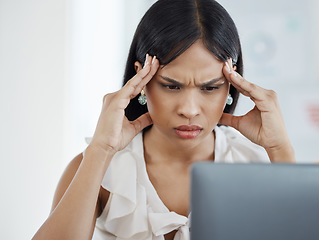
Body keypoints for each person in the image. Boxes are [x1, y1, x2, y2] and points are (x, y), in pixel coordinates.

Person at [33, 0, 295, 239]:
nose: (189, 110)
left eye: (210, 87)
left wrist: (280, 149)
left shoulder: (255, 166)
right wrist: (100, 151)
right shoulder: (98, 169)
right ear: (141, 81)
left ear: (230, 84)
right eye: (171, 86)